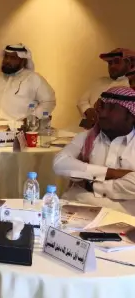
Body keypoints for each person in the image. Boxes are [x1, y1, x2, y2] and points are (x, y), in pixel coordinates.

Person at [53, 87, 135, 215]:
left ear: (130, 116)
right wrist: (112, 173)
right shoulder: (87, 137)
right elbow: (59, 163)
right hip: (77, 209)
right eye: (102, 107)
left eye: (111, 109)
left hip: (122, 216)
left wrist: (90, 185)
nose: (102, 114)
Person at [0, 43, 56, 127]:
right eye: (6, 57)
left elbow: (49, 101)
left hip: (19, 126)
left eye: (13, 58)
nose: (7, 61)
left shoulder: (33, 78)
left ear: (22, 61)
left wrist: (34, 116)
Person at [78, 48, 135, 129]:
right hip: (87, 127)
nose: (112, 66)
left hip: (114, 131)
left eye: (116, 62)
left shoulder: (130, 85)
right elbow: (82, 101)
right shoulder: (99, 81)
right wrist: (88, 110)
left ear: (128, 64)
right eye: (110, 63)